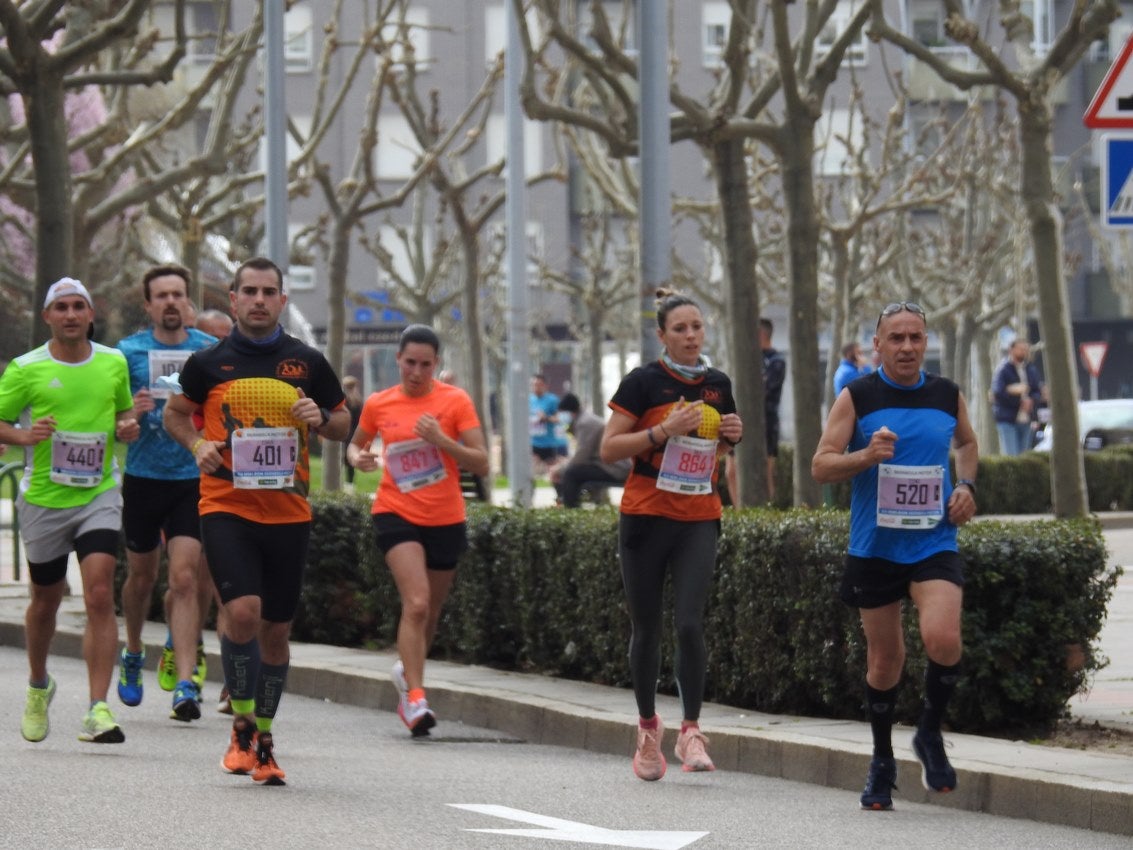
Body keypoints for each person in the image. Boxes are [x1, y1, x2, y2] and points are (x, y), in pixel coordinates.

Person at [163, 257, 350, 786]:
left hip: (289, 512)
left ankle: (263, 738)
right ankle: (241, 724)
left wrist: (323, 419)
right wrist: (197, 443)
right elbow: (176, 413)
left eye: (270, 291)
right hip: (226, 505)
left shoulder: (306, 362)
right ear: (233, 298)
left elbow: (342, 421)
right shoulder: (207, 362)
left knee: (277, 629)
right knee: (242, 611)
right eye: (250, 291)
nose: (260, 300)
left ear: (283, 301)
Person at [811, 300, 978, 811]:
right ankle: (881, 761)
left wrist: (967, 485)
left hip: (933, 540)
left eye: (916, 338)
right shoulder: (857, 395)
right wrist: (865, 456)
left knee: (943, 639)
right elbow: (821, 465)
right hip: (876, 547)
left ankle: (928, 733)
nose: (907, 347)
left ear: (926, 343)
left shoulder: (946, 394)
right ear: (877, 345)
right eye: (896, 338)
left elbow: (967, 444)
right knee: (885, 661)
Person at [599, 289, 743, 781]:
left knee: (689, 623)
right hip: (645, 515)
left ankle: (691, 731)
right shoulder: (643, 382)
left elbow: (717, 455)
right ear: (661, 335)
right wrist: (662, 431)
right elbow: (609, 447)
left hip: (698, 515)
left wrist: (729, 437)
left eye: (696, 327)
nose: (689, 336)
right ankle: (646, 729)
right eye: (679, 329)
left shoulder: (718, 383)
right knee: (647, 627)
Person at [0, 277, 140, 744]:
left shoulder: (113, 362)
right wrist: (24, 436)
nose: (71, 315)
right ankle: (39, 684)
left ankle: (97, 709)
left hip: (98, 494)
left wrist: (127, 426)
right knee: (47, 600)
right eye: (61, 307)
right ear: (47, 317)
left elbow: (121, 414)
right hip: (44, 498)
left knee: (100, 593)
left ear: (90, 314)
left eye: (79, 306)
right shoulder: (25, 368)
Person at [346, 325, 488, 736]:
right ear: (399, 360)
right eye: (410, 362)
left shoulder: (454, 401)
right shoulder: (379, 402)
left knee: (431, 612)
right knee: (418, 602)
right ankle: (415, 698)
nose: (417, 371)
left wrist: (443, 439)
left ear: (436, 364)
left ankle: (407, 674)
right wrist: (359, 459)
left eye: (426, 364)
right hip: (396, 511)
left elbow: (480, 462)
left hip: (445, 516)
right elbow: (356, 443)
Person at [115, 265, 219, 723]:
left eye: (178, 294)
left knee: (184, 579)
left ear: (187, 301)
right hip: (142, 477)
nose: (171, 302)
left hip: (190, 478)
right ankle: (134, 649)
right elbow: (114, 423)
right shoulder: (127, 353)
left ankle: (183, 679)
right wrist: (128, 417)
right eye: (162, 296)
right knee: (142, 578)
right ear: (149, 305)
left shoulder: (207, 352)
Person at [183, 305, 233, 712]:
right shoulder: (192, 376)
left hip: (228, 495)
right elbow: (176, 421)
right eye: (211, 337)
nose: (220, 343)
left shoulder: (242, 378)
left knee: (226, 590)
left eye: (225, 336)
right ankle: (190, 651)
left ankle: (234, 677)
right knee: (189, 583)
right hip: (184, 489)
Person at [549, 393, 630, 507]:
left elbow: (581, 456)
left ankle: (570, 511)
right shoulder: (583, 420)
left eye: (562, 413)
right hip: (607, 465)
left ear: (569, 411)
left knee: (571, 473)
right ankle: (568, 504)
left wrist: (559, 469)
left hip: (615, 468)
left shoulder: (585, 423)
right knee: (571, 471)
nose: (561, 417)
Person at [991, 339, 1042, 456]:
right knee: (1011, 454)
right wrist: (1018, 401)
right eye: (1021, 349)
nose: (1024, 352)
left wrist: (1031, 400)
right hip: (1008, 418)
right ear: (1012, 350)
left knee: (1024, 455)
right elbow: (998, 393)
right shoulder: (1003, 370)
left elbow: (1037, 390)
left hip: (1026, 418)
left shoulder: (1030, 369)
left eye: (1026, 349)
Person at [530, 373, 566, 471]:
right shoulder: (529, 400)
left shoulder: (552, 400)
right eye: (533, 384)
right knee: (530, 470)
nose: (536, 387)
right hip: (533, 442)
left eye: (539, 384)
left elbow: (559, 419)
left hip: (549, 443)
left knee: (552, 470)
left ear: (545, 386)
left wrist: (546, 418)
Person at [341, 376, 363, 486]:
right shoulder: (358, 401)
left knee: (341, 458)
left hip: (344, 433)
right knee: (350, 461)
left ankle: (339, 483)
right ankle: (350, 484)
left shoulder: (344, 401)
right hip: (353, 433)